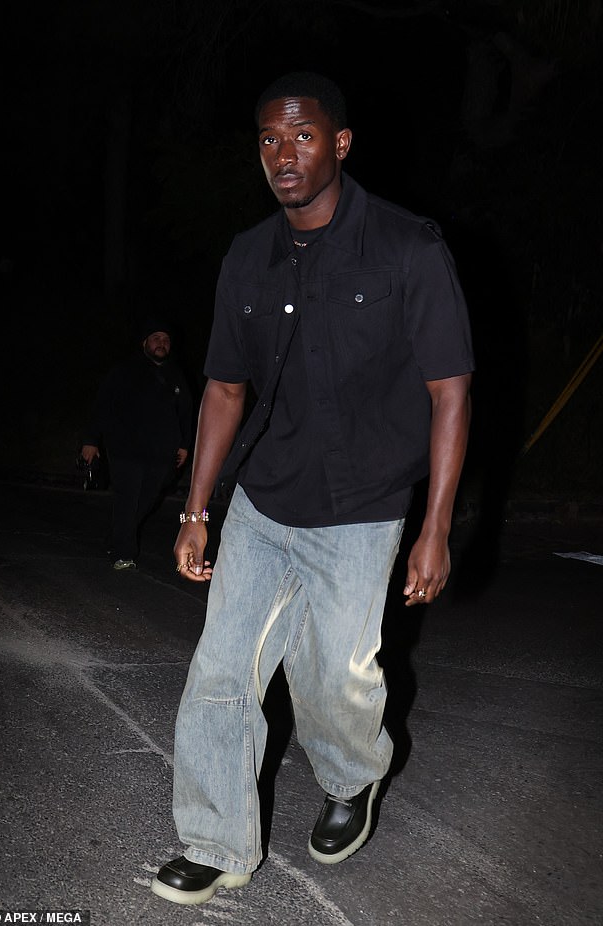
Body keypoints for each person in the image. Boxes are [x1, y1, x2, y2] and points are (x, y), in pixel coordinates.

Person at [151, 72, 474, 906]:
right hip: (263, 499)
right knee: (221, 670)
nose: (283, 154)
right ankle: (216, 839)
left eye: (301, 136)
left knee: (338, 680)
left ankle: (354, 773)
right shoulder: (248, 255)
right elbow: (224, 388)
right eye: (268, 139)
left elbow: (450, 390)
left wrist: (435, 527)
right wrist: (197, 509)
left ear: (340, 143)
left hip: (364, 509)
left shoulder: (408, 249)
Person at [81, 318, 193, 570]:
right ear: (145, 343)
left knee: (147, 501)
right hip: (125, 450)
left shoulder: (176, 374)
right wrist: (91, 440)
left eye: (165, 339)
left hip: (162, 453)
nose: (161, 343)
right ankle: (123, 553)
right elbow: (102, 404)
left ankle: (115, 539)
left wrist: (184, 444)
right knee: (128, 499)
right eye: (156, 338)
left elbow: (186, 411)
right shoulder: (124, 371)